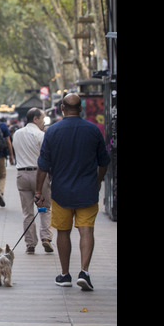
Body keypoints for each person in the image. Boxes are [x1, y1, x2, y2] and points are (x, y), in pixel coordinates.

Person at [35, 93, 110, 291]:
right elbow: (104, 162)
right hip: (87, 190)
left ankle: (65, 274)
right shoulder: (93, 131)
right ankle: (84, 271)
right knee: (86, 230)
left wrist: (37, 191)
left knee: (63, 232)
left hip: (61, 191)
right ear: (81, 109)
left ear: (61, 108)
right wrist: (98, 180)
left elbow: (43, 166)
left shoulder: (52, 132)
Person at [12, 108, 52, 254]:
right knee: (44, 207)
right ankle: (46, 237)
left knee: (27, 212)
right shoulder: (40, 135)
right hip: (39, 174)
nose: (43, 122)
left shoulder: (17, 133)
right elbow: (46, 156)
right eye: (42, 118)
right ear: (35, 119)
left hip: (22, 174)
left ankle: (30, 244)